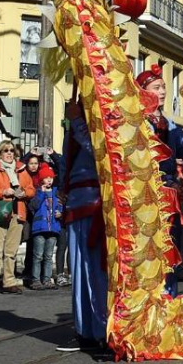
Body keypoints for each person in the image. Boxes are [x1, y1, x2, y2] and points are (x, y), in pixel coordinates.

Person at [136, 64, 183, 296]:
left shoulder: (171, 125)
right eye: (156, 87)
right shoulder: (137, 123)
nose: (162, 92)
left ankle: (169, 296)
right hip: (145, 193)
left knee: (169, 246)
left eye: (164, 87)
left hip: (168, 193)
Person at [60, 102, 108, 351]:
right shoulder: (72, 131)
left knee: (98, 272)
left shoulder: (106, 124)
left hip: (98, 204)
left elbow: (102, 155)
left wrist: (78, 122)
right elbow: (65, 167)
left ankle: (103, 329)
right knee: (78, 270)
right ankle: (85, 330)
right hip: (77, 206)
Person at [0, 141, 35, 295]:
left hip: (18, 213)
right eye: (5, 151)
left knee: (11, 251)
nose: (9, 153)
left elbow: (31, 189)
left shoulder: (21, 169)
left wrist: (25, 193)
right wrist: (3, 192)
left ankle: (9, 282)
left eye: (11, 151)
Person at [28, 170, 62, 290]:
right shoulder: (37, 191)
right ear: (41, 179)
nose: (49, 180)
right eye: (46, 177)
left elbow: (60, 205)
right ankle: (36, 280)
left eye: (51, 177)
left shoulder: (55, 192)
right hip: (39, 228)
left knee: (48, 256)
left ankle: (47, 279)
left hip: (53, 228)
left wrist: (60, 212)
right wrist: (41, 194)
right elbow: (33, 206)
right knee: (38, 255)